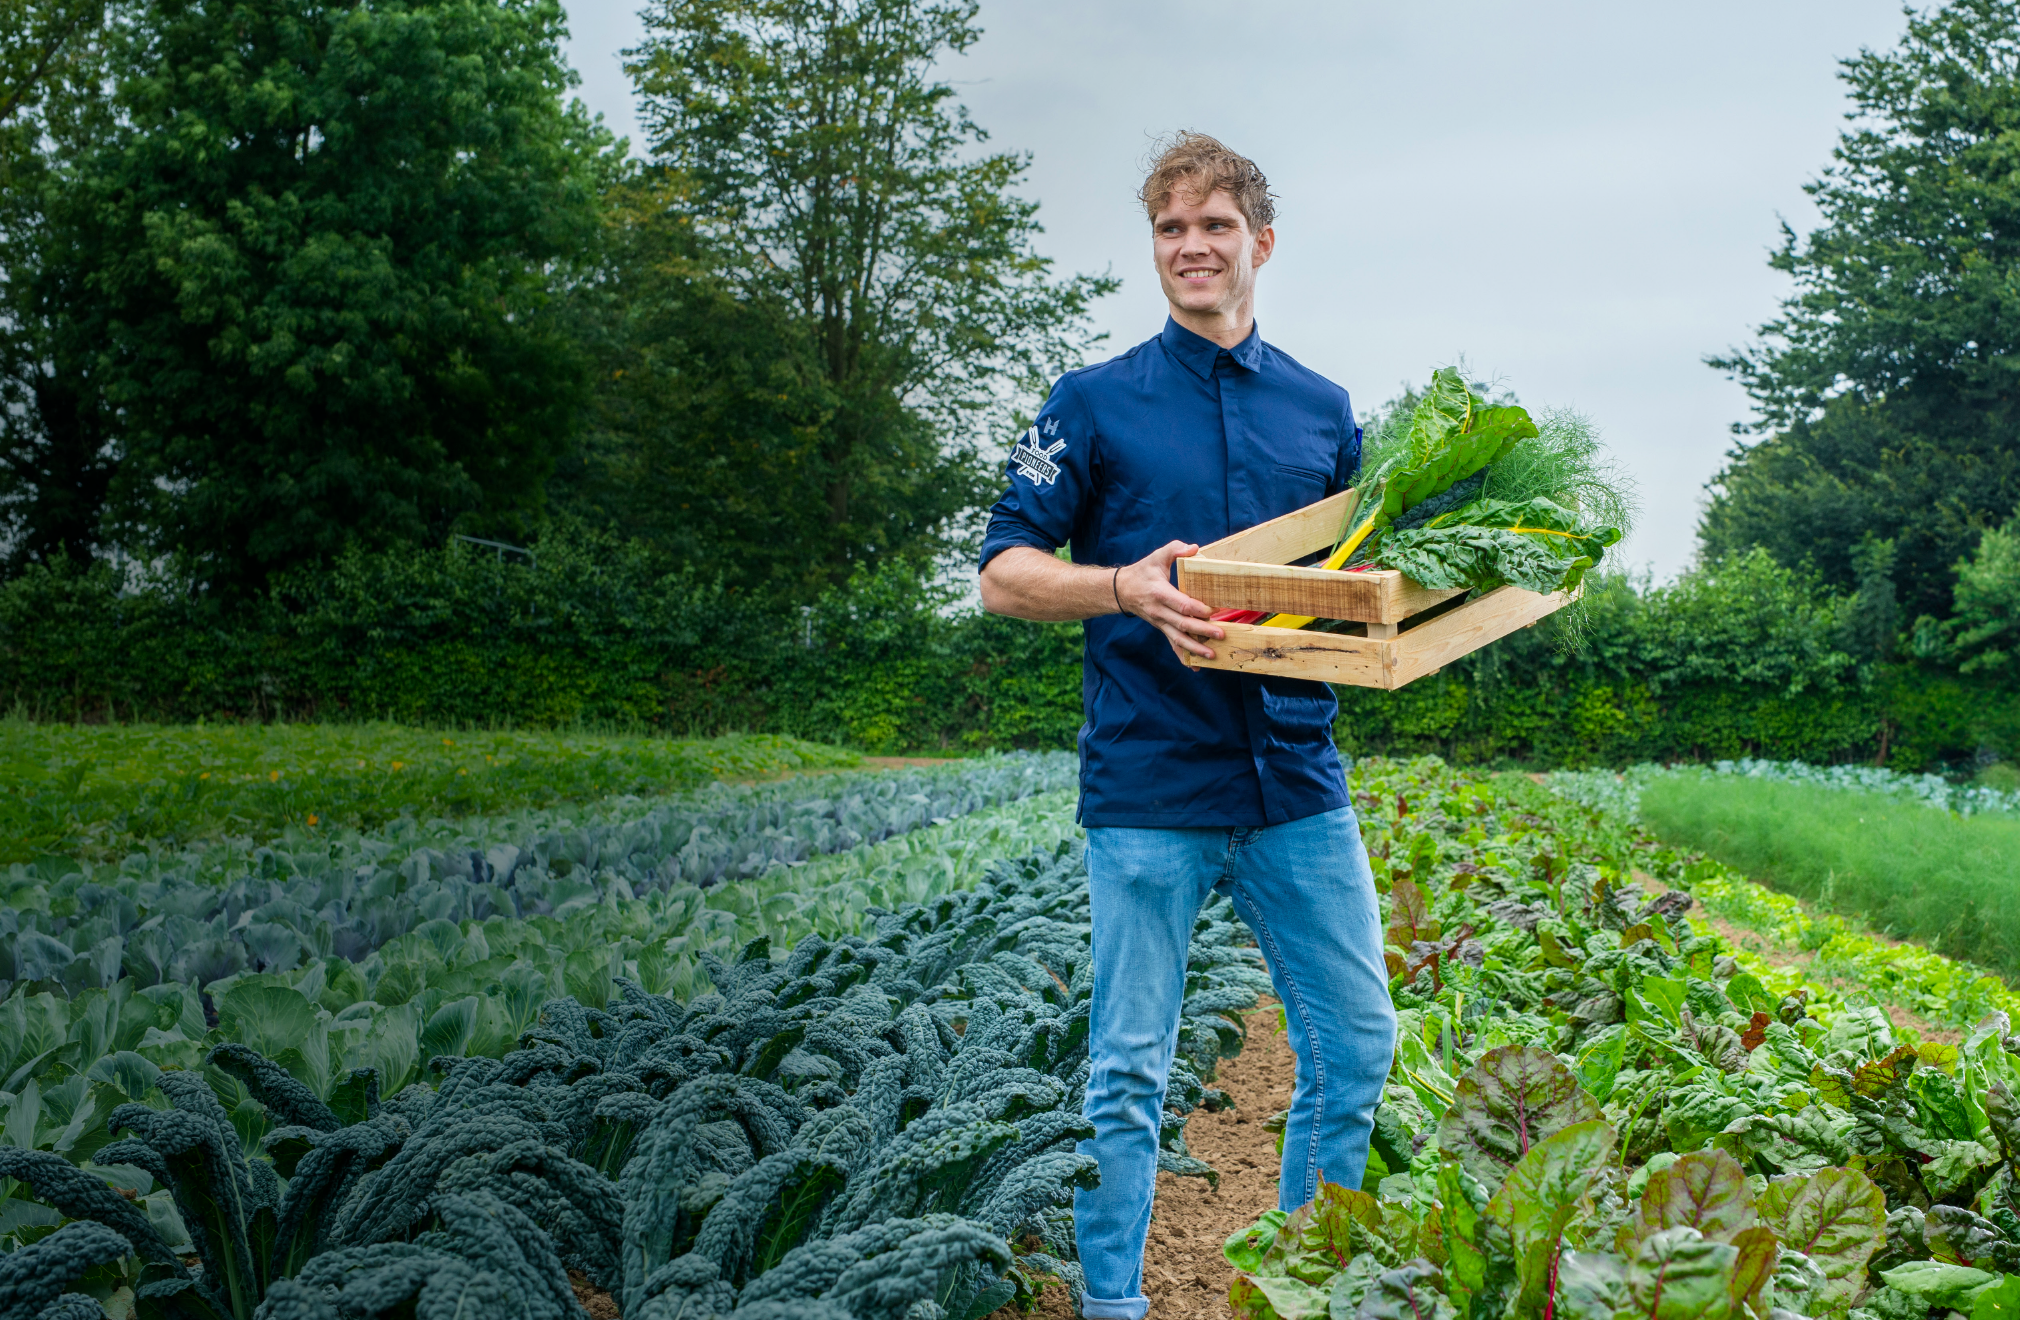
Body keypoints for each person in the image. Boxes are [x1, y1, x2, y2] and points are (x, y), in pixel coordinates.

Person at [977, 132, 1396, 1320]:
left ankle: (1300, 1287)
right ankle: (1113, 1306)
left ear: (1260, 243)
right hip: (1151, 784)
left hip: (1293, 780)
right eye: (1171, 228)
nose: (1191, 247)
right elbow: (1001, 574)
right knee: (1127, 1073)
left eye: (1214, 226)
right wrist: (1120, 586)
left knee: (1356, 1043)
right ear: (1154, 247)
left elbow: (1357, 583)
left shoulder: (1322, 412)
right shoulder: (1092, 403)